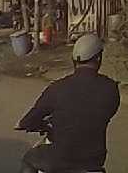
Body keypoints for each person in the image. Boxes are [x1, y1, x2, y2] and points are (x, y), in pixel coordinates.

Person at [17, 33, 119, 172]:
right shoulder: (111, 88)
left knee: (29, 159)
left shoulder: (57, 88)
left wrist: (26, 124)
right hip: (93, 161)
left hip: (60, 159)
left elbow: (29, 119)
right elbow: (108, 113)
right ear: (99, 58)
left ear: (74, 60)